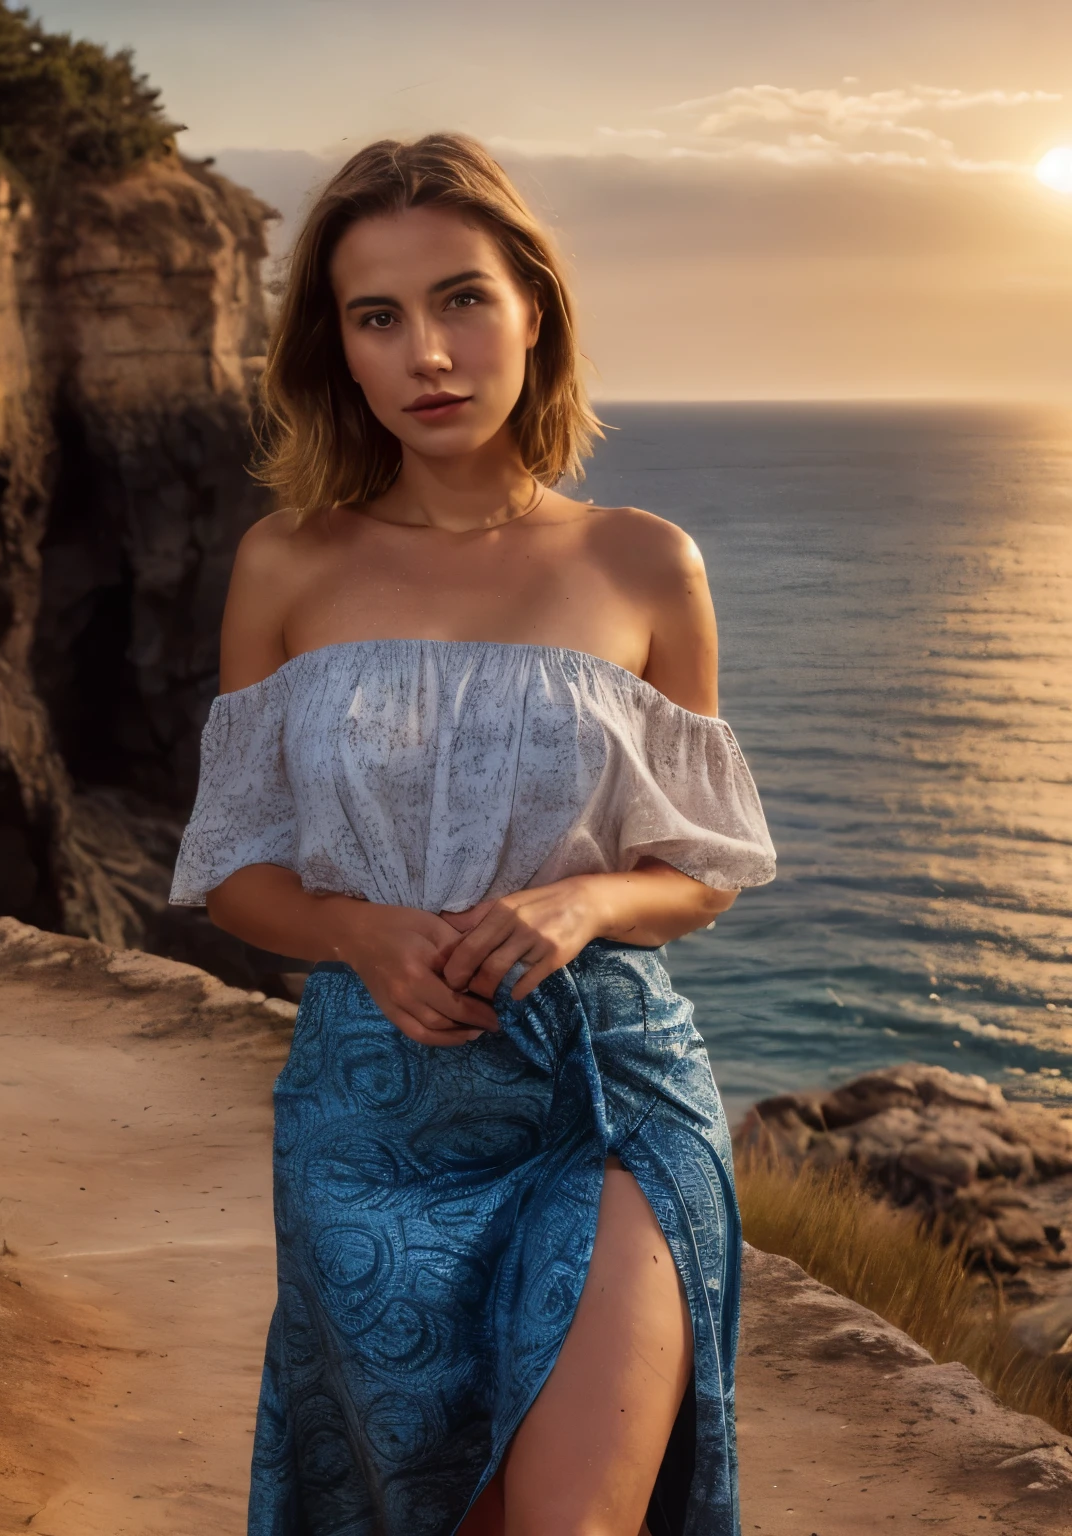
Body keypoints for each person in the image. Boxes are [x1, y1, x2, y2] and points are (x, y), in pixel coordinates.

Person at [169, 132, 775, 1536]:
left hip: (602, 1091)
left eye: (460, 300)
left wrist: (583, 907)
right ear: (339, 348)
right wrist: (355, 933)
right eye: (377, 316)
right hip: (371, 1108)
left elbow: (696, 872)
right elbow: (236, 869)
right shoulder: (286, 564)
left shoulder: (643, 561)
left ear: (533, 313)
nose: (426, 351)